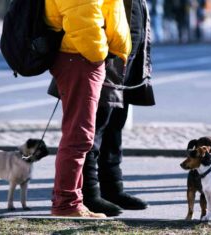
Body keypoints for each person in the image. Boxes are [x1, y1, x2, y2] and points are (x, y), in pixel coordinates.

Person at [44, 0, 131, 217]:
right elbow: (82, 19)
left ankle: (74, 202)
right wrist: (98, 55)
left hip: (81, 56)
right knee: (78, 135)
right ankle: (66, 204)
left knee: (80, 135)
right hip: (80, 57)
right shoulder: (87, 54)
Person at [81, 0, 156, 216]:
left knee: (115, 124)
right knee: (95, 126)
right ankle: (90, 193)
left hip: (126, 52)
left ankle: (112, 188)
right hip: (104, 53)